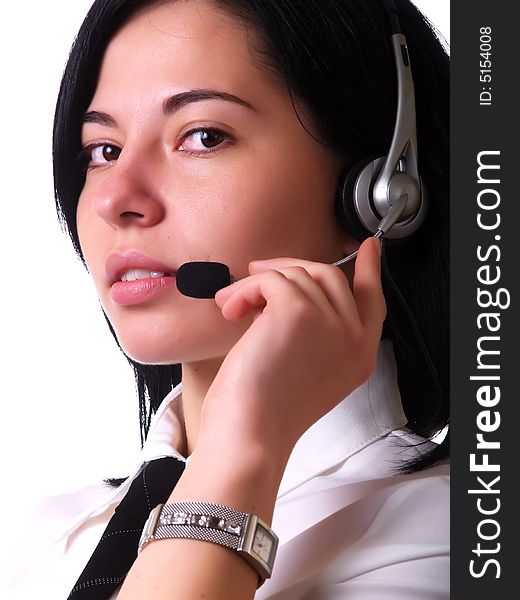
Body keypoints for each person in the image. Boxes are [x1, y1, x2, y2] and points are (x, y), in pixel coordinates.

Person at [7, 0, 449, 598]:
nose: (118, 198)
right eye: (102, 150)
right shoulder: (43, 536)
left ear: (379, 192)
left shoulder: (449, 536)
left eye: (203, 137)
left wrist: (244, 446)